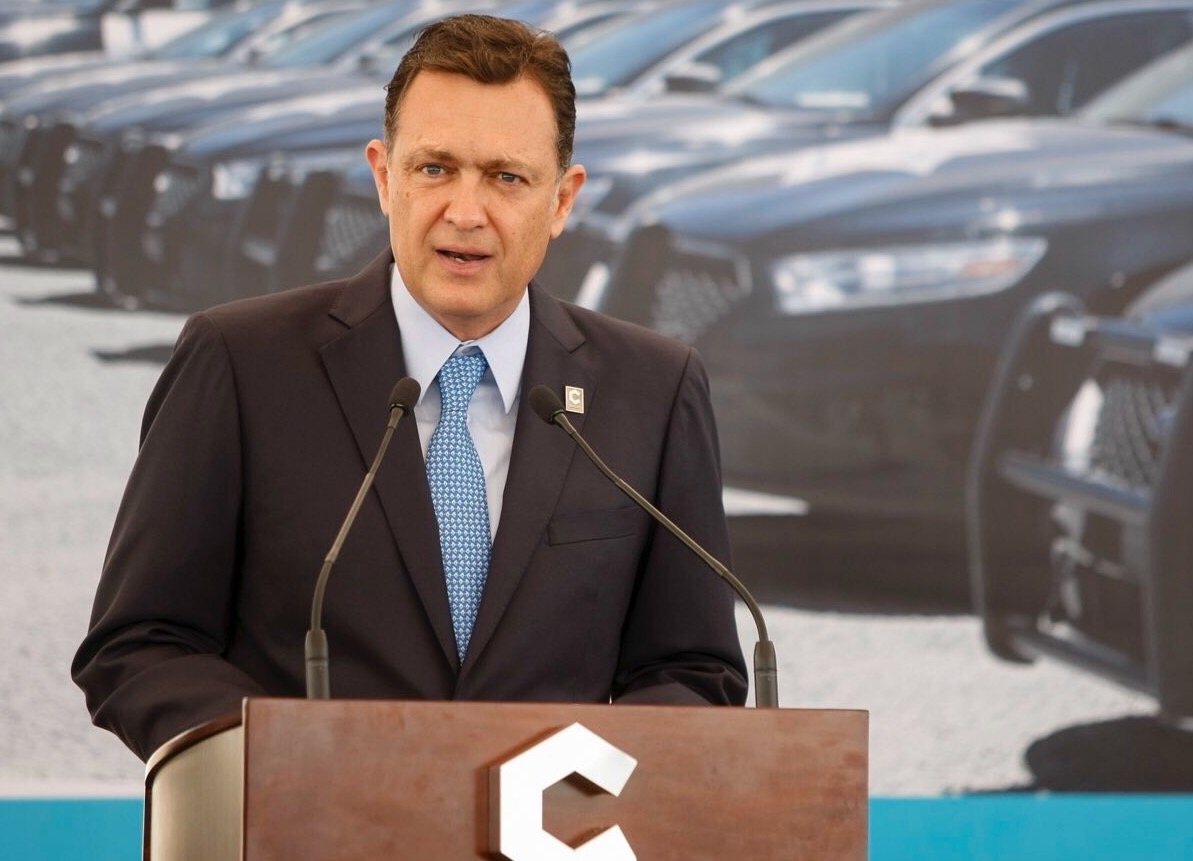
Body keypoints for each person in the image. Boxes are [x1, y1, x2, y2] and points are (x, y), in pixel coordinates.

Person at [72, 14, 747, 762]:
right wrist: (282, 762)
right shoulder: (240, 362)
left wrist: (573, 779)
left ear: (562, 200)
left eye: (506, 177)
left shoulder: (653, 388)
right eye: (434, 169)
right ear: (384, 177)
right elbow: (140, 642)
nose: (465, 212)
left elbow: (693, 669)